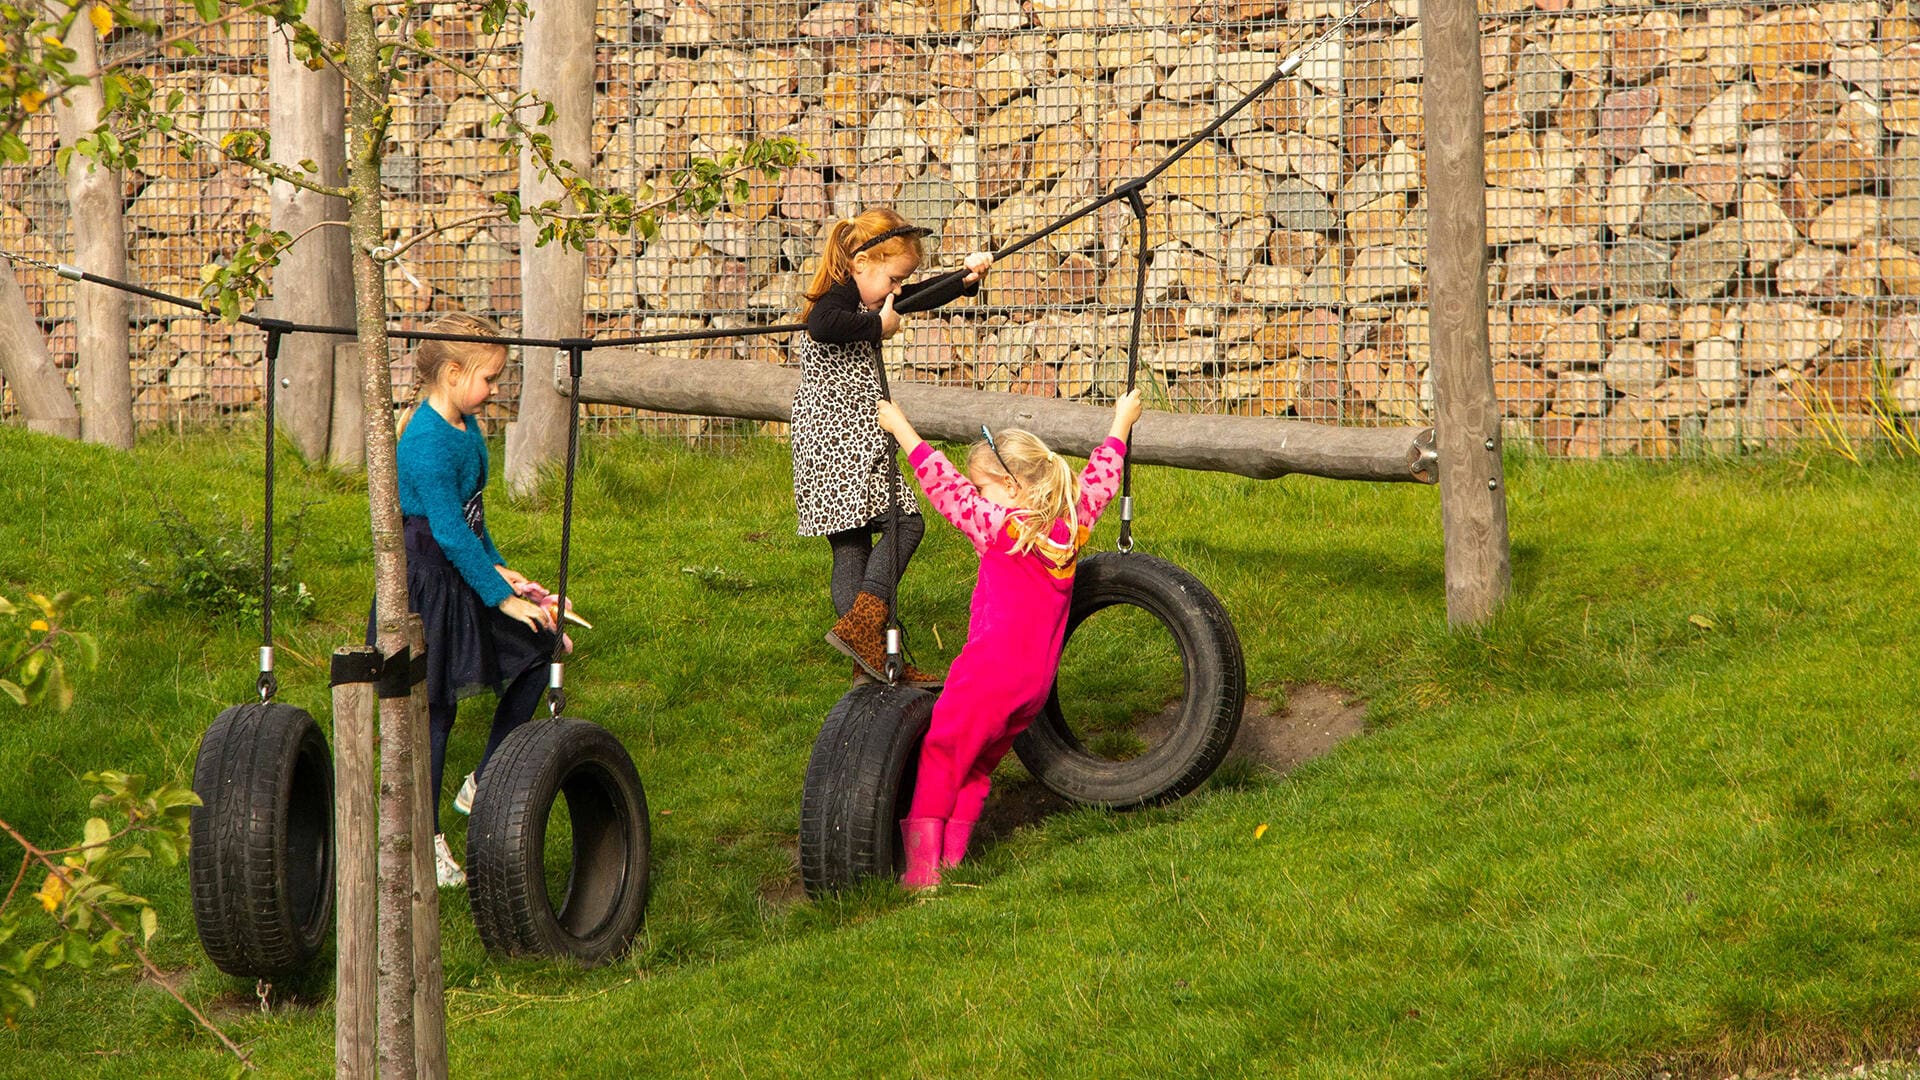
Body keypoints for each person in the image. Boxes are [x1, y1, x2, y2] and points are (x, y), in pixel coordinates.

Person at [875, 388, 1145, 890]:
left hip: (989, 673)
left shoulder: (1000, 526)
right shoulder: (1072, 520)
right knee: (978, 766)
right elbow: (1102, 479)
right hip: (1032, 687)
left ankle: (921, 874)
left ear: (1009, 485)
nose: (977, 497)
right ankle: (953, 862)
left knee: (943, 751)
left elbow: (944, 487)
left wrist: (901, 428)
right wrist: (1121, 421)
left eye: (985, 489)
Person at [379, 312, 558, 888]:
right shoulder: (427, 442)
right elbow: (449, 532)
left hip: (465, 567)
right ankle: (423, 840)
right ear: (453, 373)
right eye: (490, 379)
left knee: (543, 644)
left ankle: (482, 780)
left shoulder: (466, 424)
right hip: (430, 578)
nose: (495, 390)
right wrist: (499, 600)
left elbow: (474, 520)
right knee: (437, 707)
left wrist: (504, 572)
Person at [792, 207, 993, 685]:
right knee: (906, 521)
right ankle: (867, 635)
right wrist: (877, 328)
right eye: (893, 278)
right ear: (862, 263)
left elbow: (917, 297)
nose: (897, 290)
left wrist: (964, 278)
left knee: (851, 546)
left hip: (828, 439)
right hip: (839, 438)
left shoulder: (867, 293)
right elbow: (822, 324)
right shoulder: (837, 297)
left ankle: (870, 664)